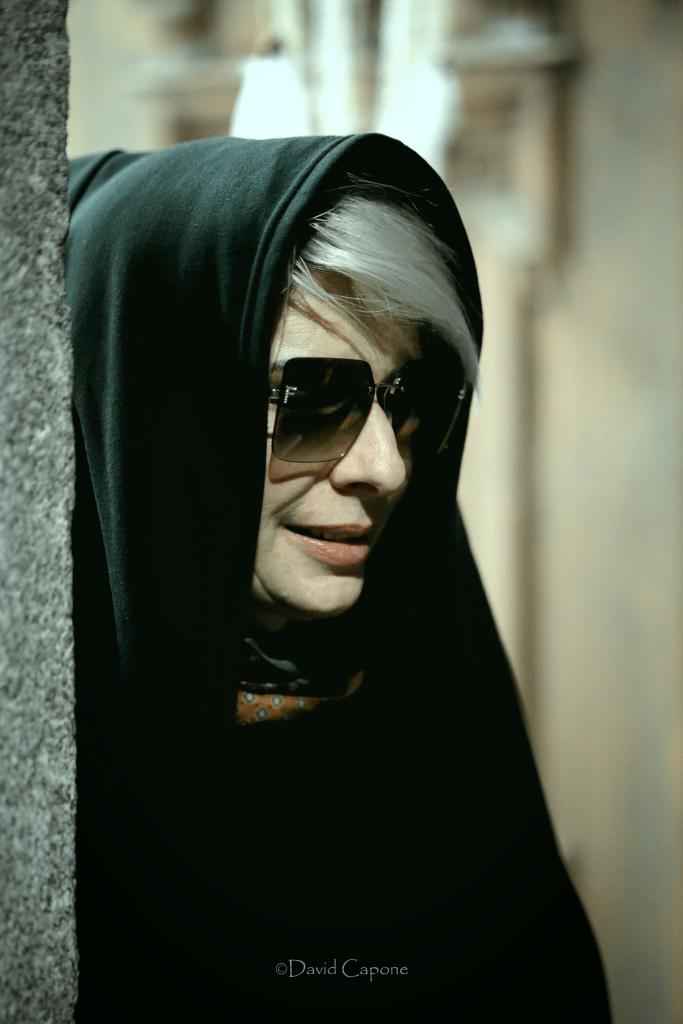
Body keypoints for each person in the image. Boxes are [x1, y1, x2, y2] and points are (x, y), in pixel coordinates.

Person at [67, 133, 612, 1019]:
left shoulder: (435, 718)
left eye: (409, 400)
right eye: (313, 397)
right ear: (155, 412)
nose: (384, 470)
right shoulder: (46, 787)